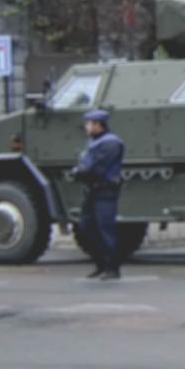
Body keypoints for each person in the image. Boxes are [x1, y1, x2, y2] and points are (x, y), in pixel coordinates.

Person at [71, 109, 126, 280]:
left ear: (98, 125)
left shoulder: (111, 143)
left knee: (106, 229)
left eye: (89, 123)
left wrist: (80, 172)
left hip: (105, 190)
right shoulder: (94, 142)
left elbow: (95, 168)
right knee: (86, 227)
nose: (86, 127)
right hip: (92, 190)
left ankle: (112, 267)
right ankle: (100, 264)